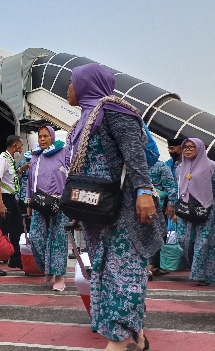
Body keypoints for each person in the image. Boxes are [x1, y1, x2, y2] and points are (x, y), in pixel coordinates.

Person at [67, 63, 163, 351]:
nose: (68, 89)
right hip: (97, 212)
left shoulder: (114, 111)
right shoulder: (85, 119)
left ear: (86, 84)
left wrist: (144, 192)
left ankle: (117, 343)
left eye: (72, 82)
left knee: (124, 273)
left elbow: (134, 153)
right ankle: (138, 336)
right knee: (108, 274)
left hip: (122, 211)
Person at [176, 138, 215, 287]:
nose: (187, 150)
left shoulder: (212, 167)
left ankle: (202, 275)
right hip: (185, 210)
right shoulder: (179, 168)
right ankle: (196, 269)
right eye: (185, 147)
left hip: (206, 210)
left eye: (191, 147)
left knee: (203, 243)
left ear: (200, 148)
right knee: (183, 239)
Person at [25, 126, 68, 291]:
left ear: (52, 137)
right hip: (38, 203)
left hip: (58, 202)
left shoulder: (62, 153)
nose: (42, 139)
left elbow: (69, 174)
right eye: (40, 136)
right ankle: (48, 267)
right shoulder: (35, 157)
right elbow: (29, 181)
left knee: (58, 241)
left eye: (45, 136)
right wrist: (29, 204)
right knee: (36, 237)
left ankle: (59, 277)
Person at [0, 135, 28, 276]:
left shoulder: (10, 160)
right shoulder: (2, 160)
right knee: (0, 231)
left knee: (17, 229)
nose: (21, 149)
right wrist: (0, 204)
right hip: (4, 199)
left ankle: (15, 259)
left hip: (11, 199)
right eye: (21, 146)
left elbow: (9, 178)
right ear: (15, 146)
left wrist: (21, 170)